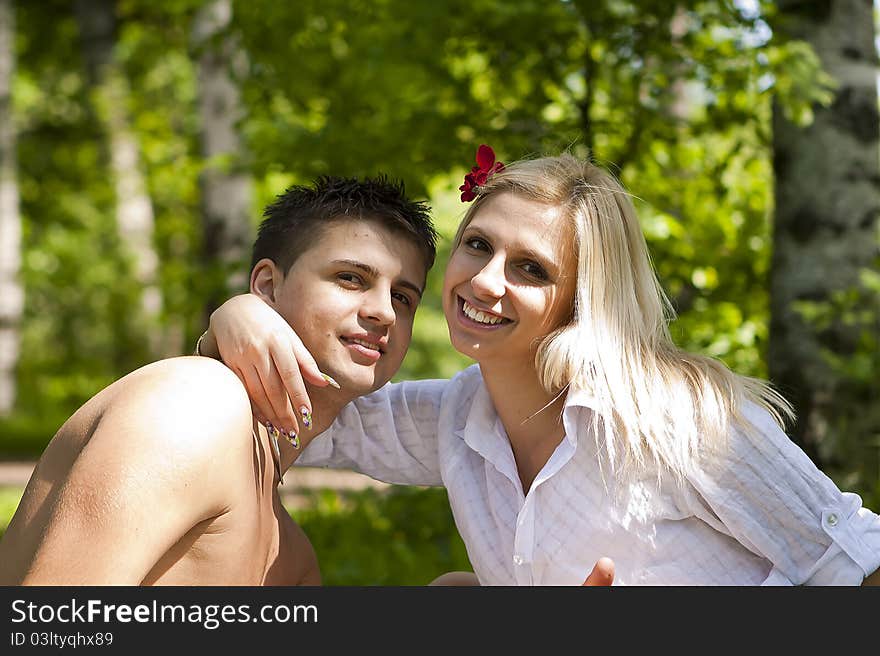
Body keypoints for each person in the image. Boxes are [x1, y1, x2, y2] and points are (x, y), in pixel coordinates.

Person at [201, 147, 880, 585]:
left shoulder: (683, 419)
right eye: (477, 246)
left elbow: (857, 560)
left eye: (531, 268)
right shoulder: (453, 417)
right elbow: (286, 415)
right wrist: (240, 319)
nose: (485, 281)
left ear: (581, 301)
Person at [0, 175, 440, 585]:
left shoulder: (291, 557)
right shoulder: (197, 405)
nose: (383, 311)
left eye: (402, 297)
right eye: (350, 277)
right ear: (267, 286)